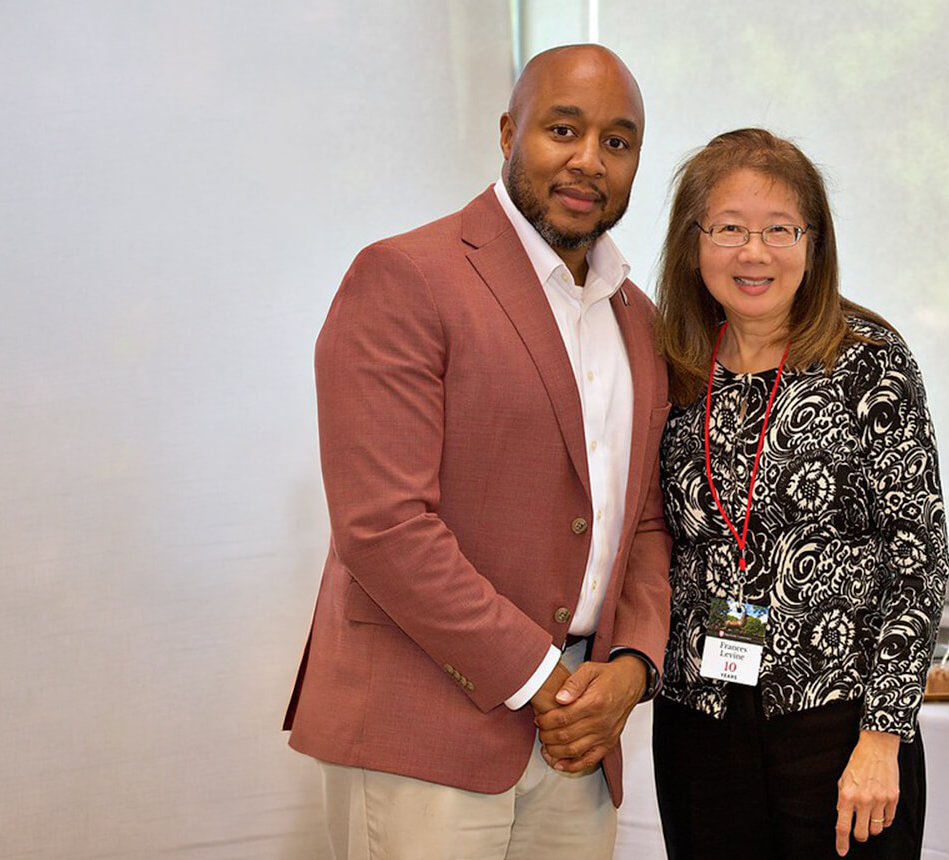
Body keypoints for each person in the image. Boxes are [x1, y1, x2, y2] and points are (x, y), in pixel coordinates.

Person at [283, 45, 671, 860]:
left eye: (617, 141)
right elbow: (385, 529)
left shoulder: (640, 319)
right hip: (419, 730)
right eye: (563, 129)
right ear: (508, 131)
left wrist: (631, 669)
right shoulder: (405, 278)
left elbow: (645, 522)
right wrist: (543, 680)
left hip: (579, 742)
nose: (587, 160)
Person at [650, 128, 949, 859]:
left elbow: (918, 553)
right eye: (728, 229)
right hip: (700, 721)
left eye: (779, 229)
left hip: (838, 722)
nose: (754, 254)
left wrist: (884, 734)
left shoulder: (867, 361)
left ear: (814, 241)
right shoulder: (672, 367)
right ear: (693, 241)